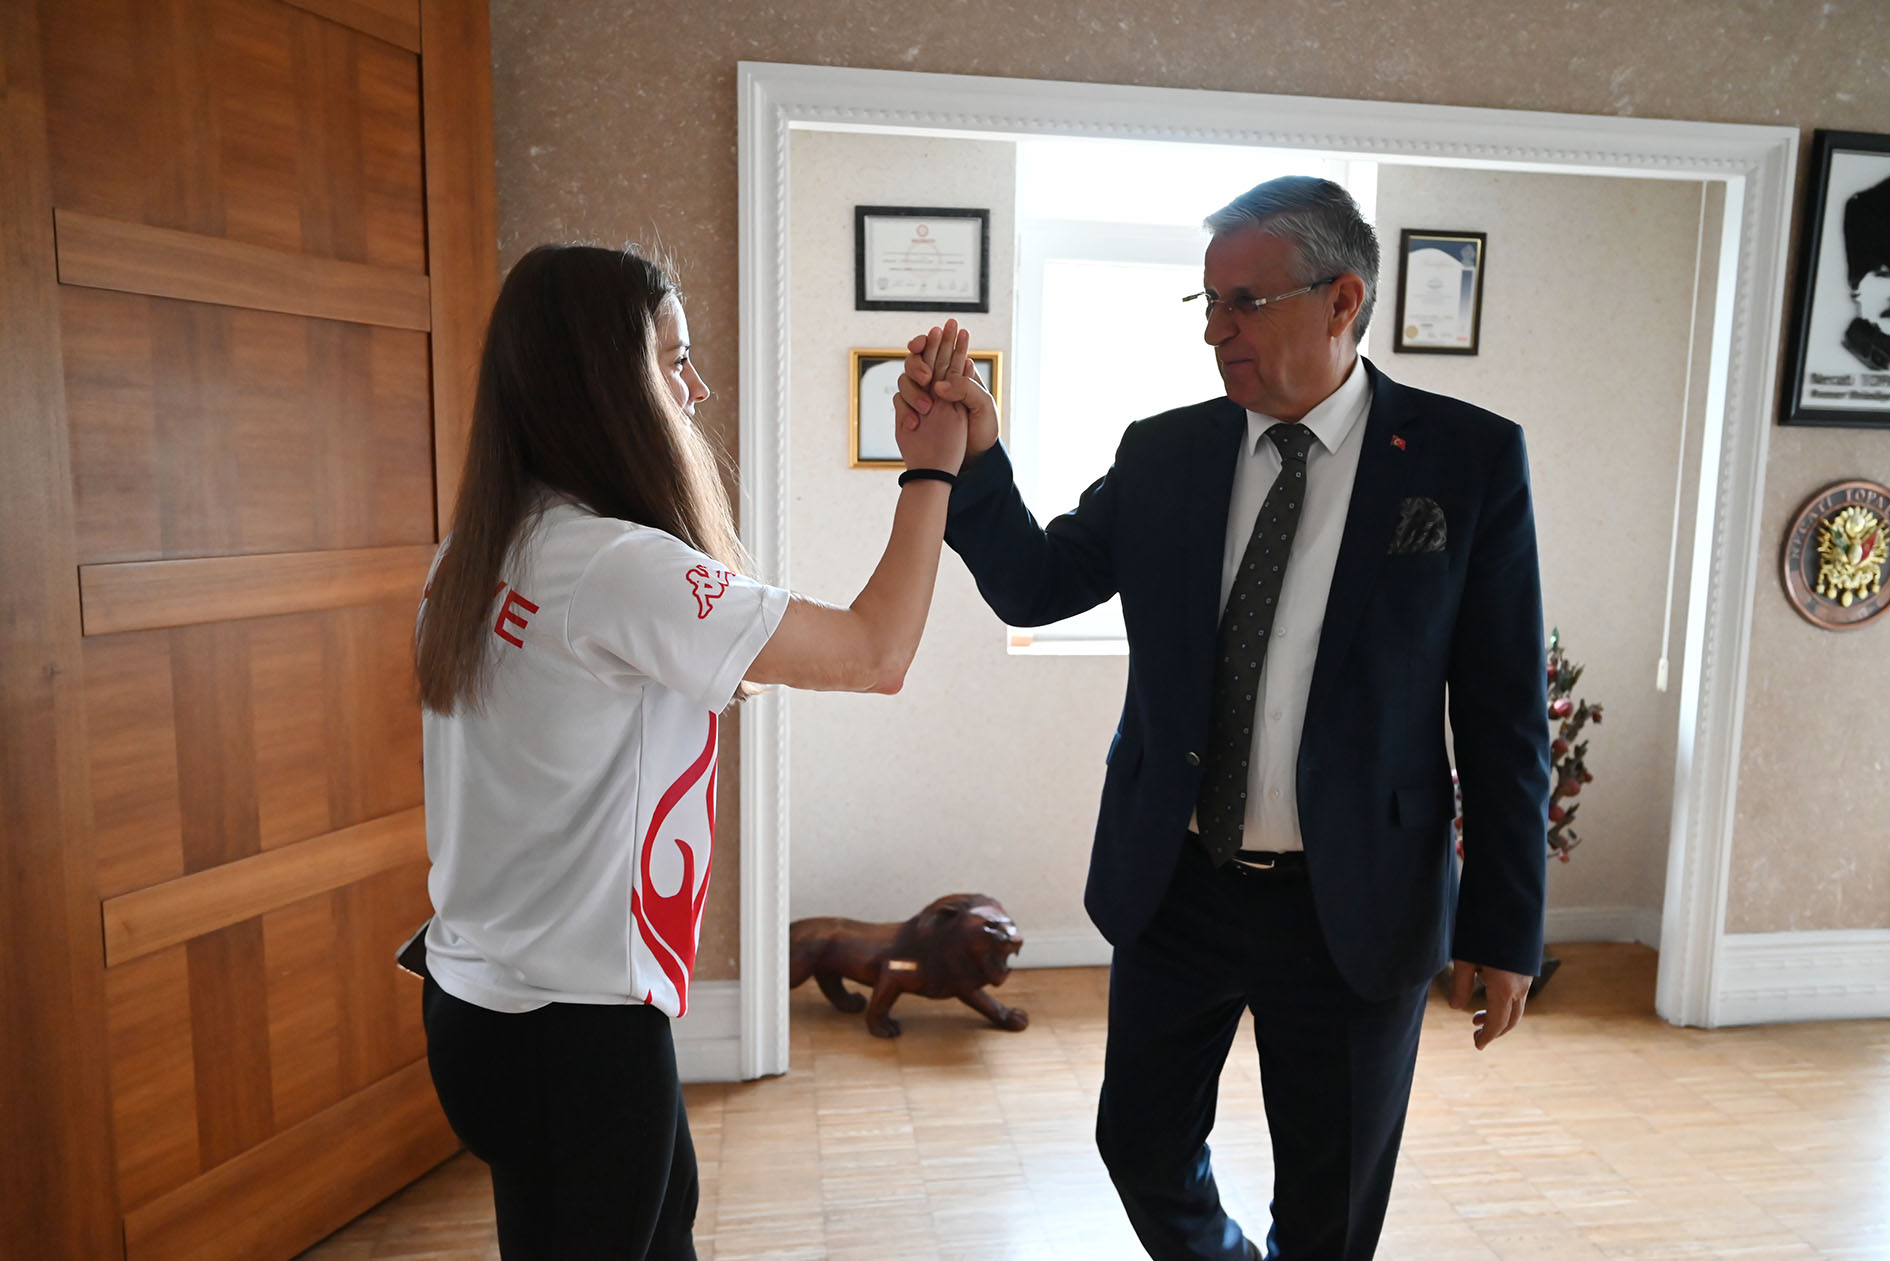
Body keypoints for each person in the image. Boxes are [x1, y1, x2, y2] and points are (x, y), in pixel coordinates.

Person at [895, 176, 1551, 1261]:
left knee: (1332, 1214)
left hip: (1356, 902)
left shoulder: (1466, 459)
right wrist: (969, 458)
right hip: (1179, 886)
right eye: (1207, 303)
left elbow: (1504, 717)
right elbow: (1037, 584)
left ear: (1343, 300)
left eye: (1244, 302)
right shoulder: (1167, 453)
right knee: (1140, 1147)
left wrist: (1504, 924)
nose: (1215, 330)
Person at [412, 243, 970, 1259]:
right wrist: (933, 467)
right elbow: (875, 652)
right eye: (674, 360)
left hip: (482, 1004)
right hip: (571, 1029)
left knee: (661, 1219)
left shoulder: (475, 554)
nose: (697, 389)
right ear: (603, 386)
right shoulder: (616, 566)